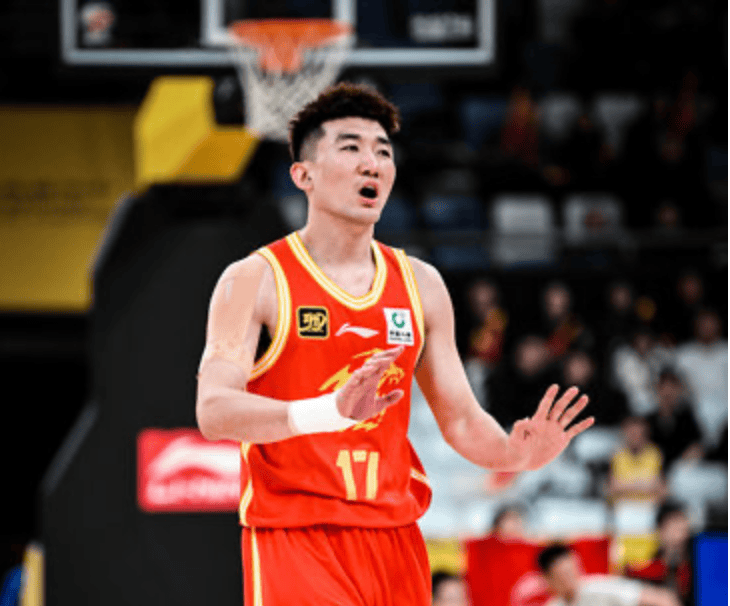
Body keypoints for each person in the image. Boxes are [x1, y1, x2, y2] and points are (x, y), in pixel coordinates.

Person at [196, 82, 594, 606]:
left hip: (394, 536)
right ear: (303, 175)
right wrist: (328, 412)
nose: (373, 163)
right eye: (351, 147)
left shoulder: (421, 284)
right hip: (297, 534)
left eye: (383, 151)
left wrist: (513, 453)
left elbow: (460, 419)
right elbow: (214, 410)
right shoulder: (255, 279)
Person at [538, 543, 682, 606]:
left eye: (570, 571)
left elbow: (663, 599)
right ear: (548, 579)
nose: (568, 579)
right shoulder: (554, 604)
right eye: (562, 575)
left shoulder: (601, 588)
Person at [625, 502, 693, 605]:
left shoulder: (693, 570)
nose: (680, 537)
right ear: (660, 530)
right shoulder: (646, 570)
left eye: (684, 530)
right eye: (674, 529)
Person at [608, 415, 666, 504]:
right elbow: (613, 488)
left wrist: (627, 484)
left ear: (645, 434)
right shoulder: (617, 454)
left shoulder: (654, 453)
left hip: (649, 504)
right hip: (623, 504)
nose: (635, 438)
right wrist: (644, 484)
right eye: (632, 434)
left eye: (639, 434)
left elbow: (661, 488)